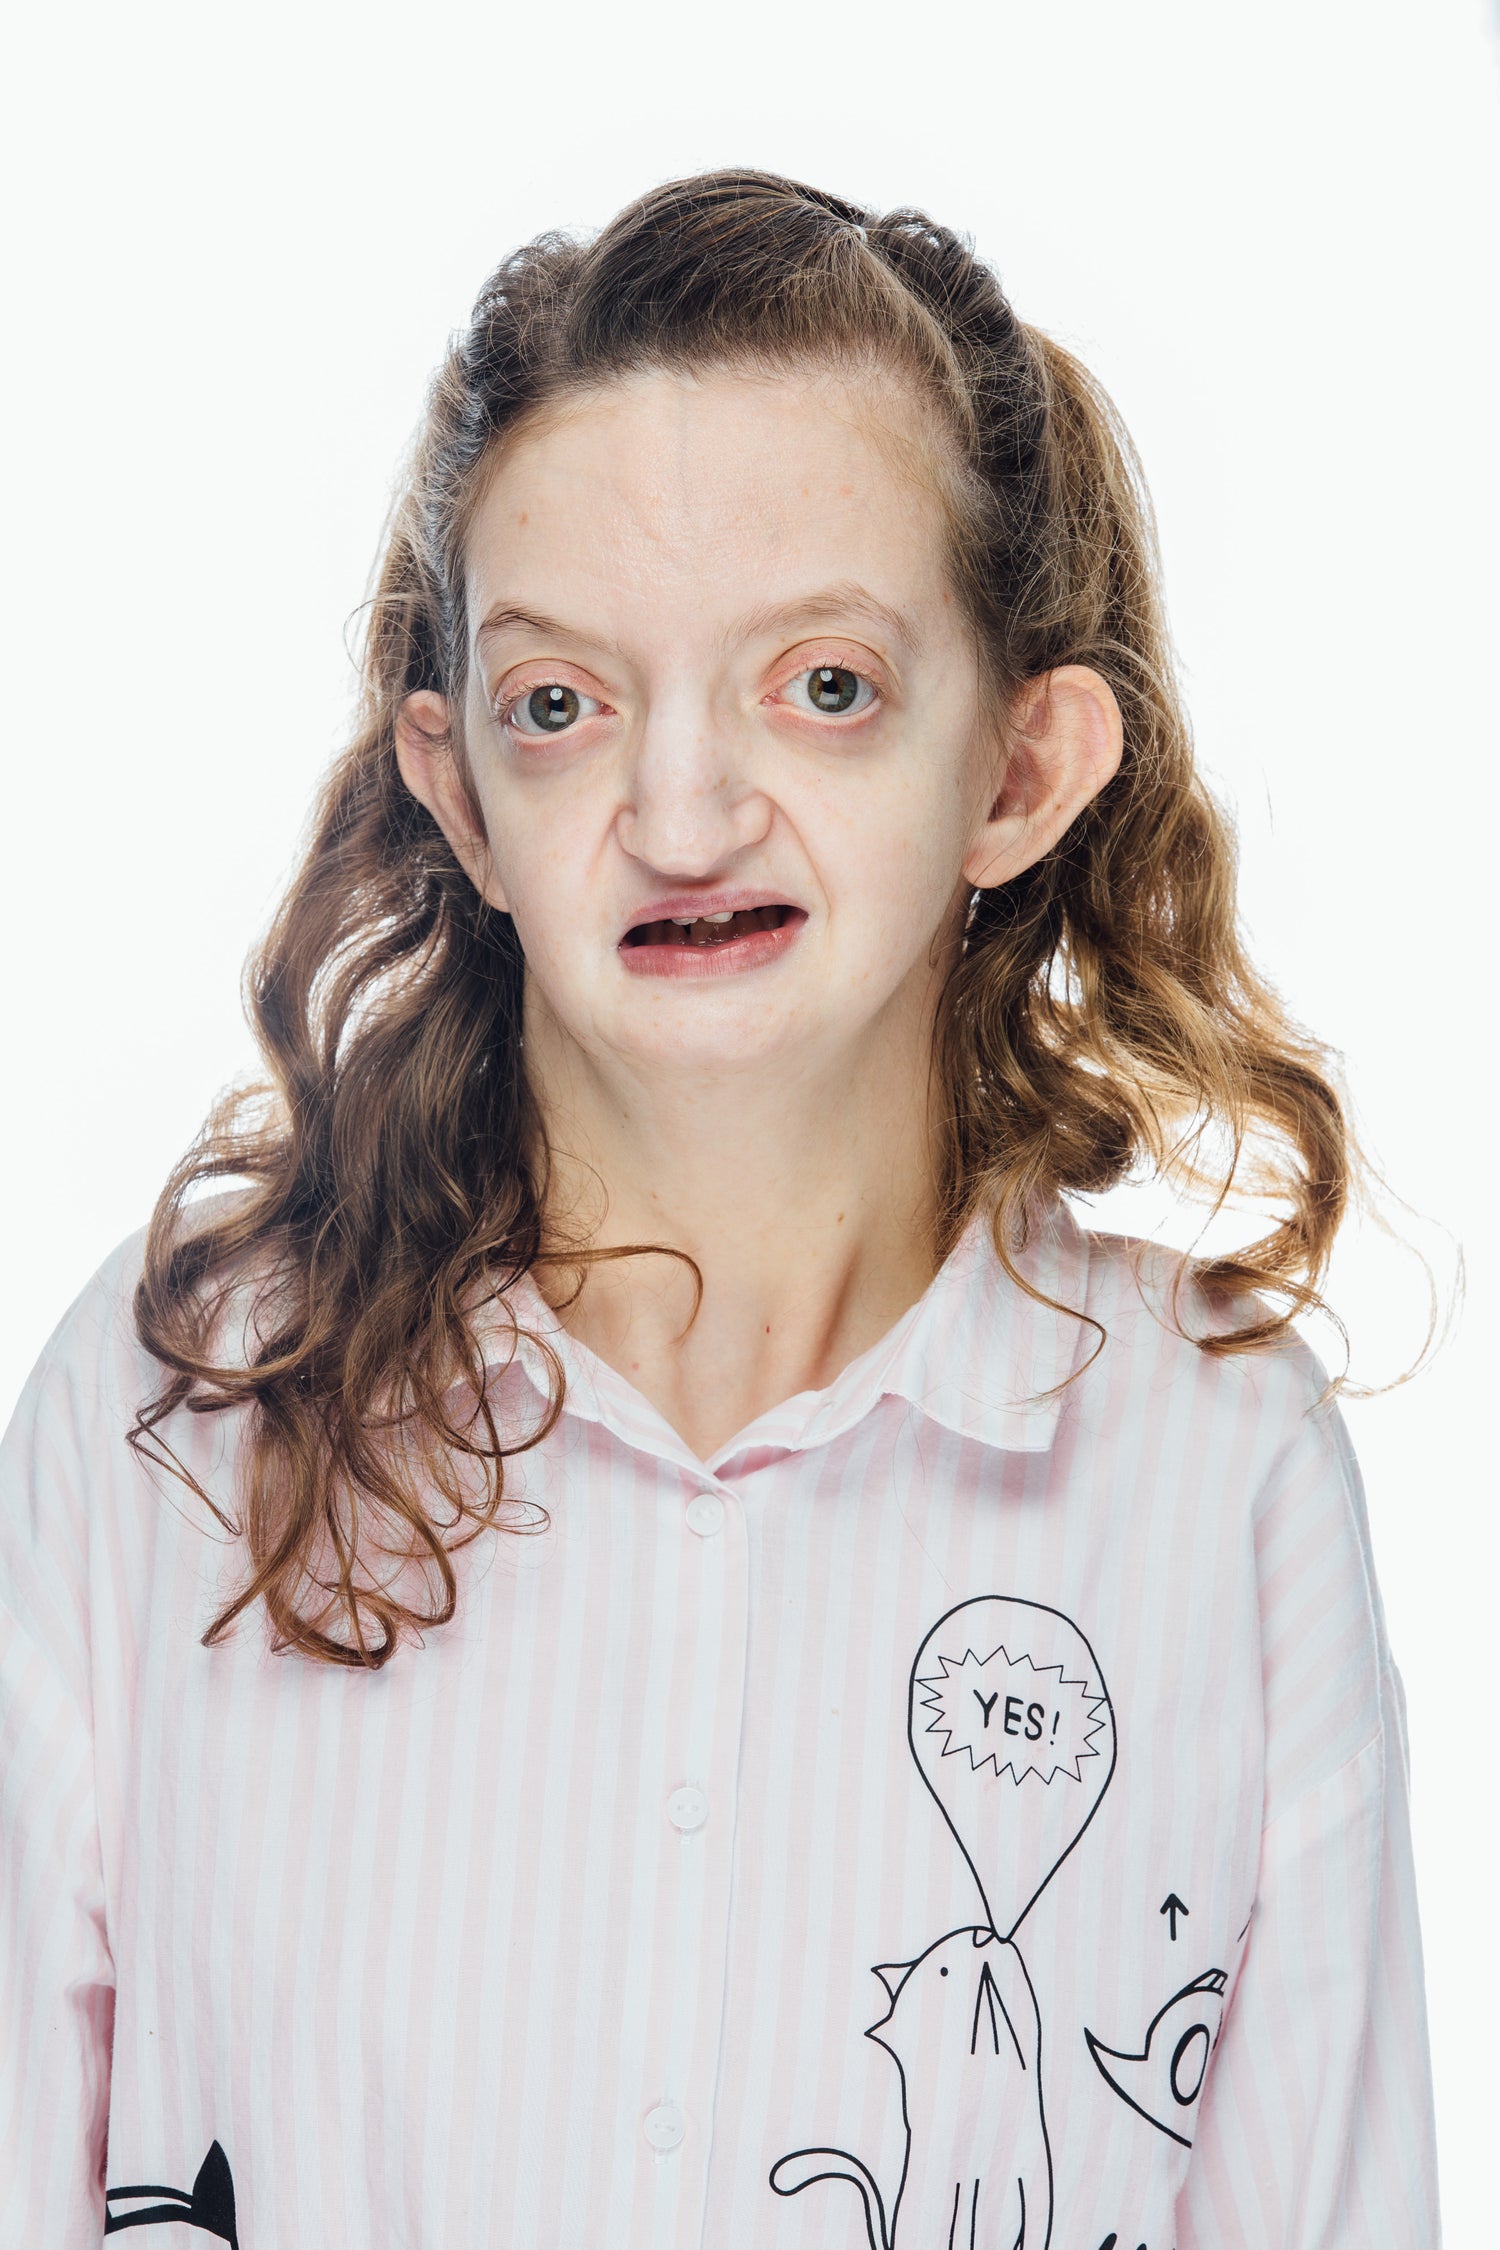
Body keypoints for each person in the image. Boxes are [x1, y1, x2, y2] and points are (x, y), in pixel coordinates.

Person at [0, 170, 1439, 2248]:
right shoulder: (178, 1422)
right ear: (458, 785)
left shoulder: (1223, 1474)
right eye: (563, 705)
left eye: (824, 684)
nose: (679, 813)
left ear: (1023, 769)